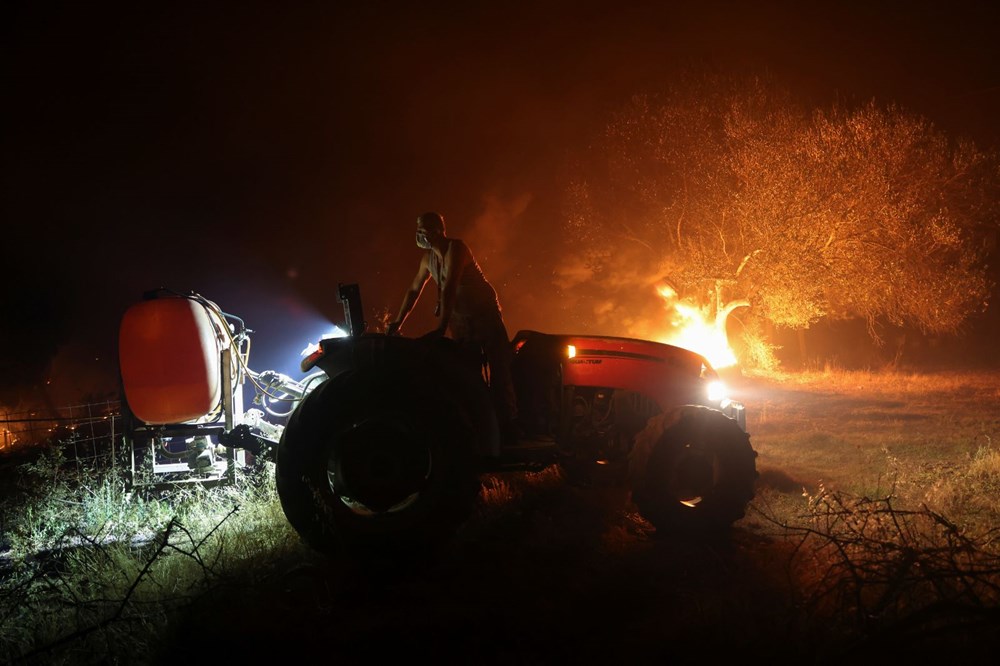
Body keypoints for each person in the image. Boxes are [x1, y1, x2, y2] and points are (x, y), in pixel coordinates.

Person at [387, 211, 518, 444]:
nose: (419, 235)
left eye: (423, 230)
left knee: (499, 370)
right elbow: (414, 290)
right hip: (461, 322)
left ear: (438, 230)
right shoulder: (428, 259)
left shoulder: (457, 249)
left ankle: (508, 428)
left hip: (484, 317)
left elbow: (449, 288)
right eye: (418, 230)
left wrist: (441, 328)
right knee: (468, 373)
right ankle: (482, 429)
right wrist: (397, 322)